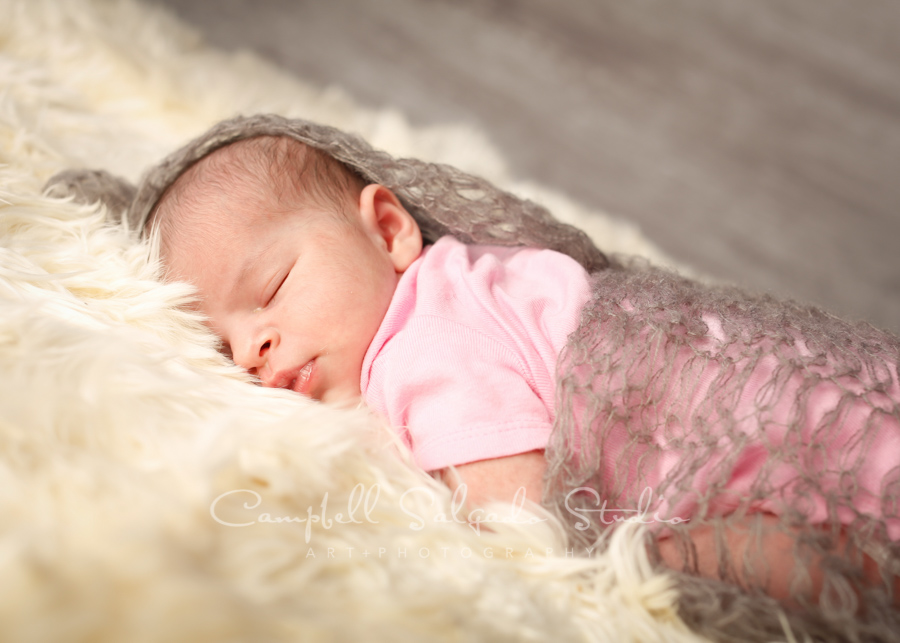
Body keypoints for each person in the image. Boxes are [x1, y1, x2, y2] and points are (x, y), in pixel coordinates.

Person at [136, 119, 898, 618]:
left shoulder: (419, 347)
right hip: (800, 403)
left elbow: (525, 526)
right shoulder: (475, 271)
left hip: (738, 441)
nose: (249, 349)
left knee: (689, 569)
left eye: (268, 291)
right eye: (224, 343)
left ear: (390, 229)